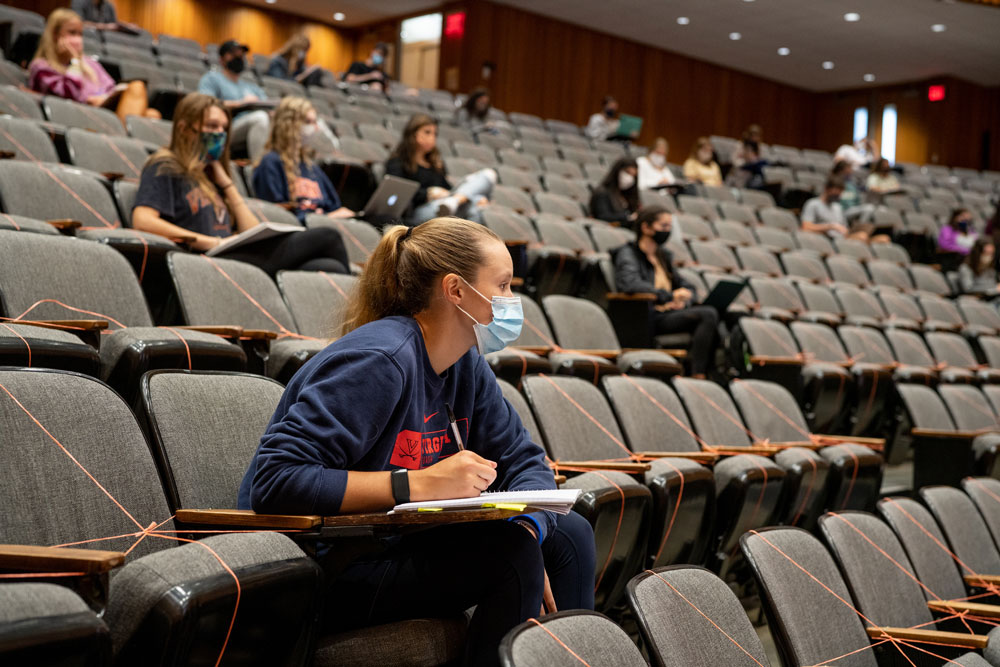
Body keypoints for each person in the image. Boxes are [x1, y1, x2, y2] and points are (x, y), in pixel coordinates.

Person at [237, 217, 596, 667]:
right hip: (329, 566)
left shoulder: (466, 364)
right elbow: (276, 481)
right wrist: (414, 484)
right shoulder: (379, 361)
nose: (512, 302)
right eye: (502, 286)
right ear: (456, 290)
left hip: (399, 545)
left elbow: (526, 461)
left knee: (567, 534)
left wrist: (528, 526)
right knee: (510, 557)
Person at [132, 93, 350, 276]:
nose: (219, 133)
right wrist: (211, 243)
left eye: (224, 128)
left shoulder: (212, 173)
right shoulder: (165, 165)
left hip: (229, 255)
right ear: (185, 128)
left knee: (328, 267)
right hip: (203, 260)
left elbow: (250, 230)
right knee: (328, 236)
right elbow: (142, 220)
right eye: (211, 126)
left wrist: (226, 184)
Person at [613, 207, 719, 378]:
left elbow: (682, 283)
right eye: (663, 226)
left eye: (670, 226)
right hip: (647, 315)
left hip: (669, 311)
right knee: (708, 314)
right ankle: (697, 374)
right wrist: (669, 296)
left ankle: (713, 373)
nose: (667, 231)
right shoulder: (628, 253)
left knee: (720, 314)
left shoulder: (663, 256)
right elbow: (629, 283)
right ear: (646, 228)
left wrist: (686, 296)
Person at [28, 9, 157, 123]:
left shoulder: (90, 63)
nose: (78, 39)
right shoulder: (42, 67)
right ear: (55, 35)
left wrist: (103, 98)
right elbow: (67, 96)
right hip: (78, 115)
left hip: (102, 112)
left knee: (153, 114)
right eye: (72, 33)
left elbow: (110, 87)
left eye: (80, 34)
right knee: (136, 87)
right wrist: (75, 62)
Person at [252, 97, 354, 223]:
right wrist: (326, 218)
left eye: (314, 122)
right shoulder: (270, 163)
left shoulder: (311, 166)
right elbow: (277, 217)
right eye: (307, 122)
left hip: (325, 226)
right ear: (288, 125)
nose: (314, 128)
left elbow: (334, 206)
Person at [385, 114, 495, 225]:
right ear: (413, 134)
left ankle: (455, 201)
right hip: (420, 210)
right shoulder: (398, 162)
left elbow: (448, 188)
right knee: (475, 203)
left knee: (488, 175)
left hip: (446, 204)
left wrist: (466, 196)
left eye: (435, 134)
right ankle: (456, 202)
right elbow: (397, 193)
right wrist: (428, 194)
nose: (432, 137)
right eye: (427, 132)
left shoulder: (435, 163)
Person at [198, 39, 272, 158]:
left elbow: (268, 105)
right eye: (233, 54)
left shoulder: (251, 86)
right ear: (221, 59)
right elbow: (206, 104)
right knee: (260, 118)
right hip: (226, 127)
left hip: (256, 125)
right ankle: (261, 171)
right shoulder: (211, 79)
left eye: (241, 55)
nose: (239, 57)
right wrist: (240, 103)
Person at [801, 176, 867, 239]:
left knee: (862, 235)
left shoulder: (838, 207)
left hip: (841, 239)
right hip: (825, 238)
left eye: (840, 192)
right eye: (836, 192)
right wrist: (831, 226)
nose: (839, 195)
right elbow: (806, 227)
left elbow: (845, 230)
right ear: (827, 189)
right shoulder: (813, 203)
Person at [589, 158, 639, 224]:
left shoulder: (628, 194)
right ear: (617, 171)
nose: (629, 178)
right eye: (627, 172)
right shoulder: (602, 192)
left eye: (633, 176)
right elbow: (602, 216)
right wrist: (628, 217)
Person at [70, 0, 141, 33]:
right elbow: (78, 23)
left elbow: (114, 24)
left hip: (105, 43)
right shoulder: (78, 2)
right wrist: (106, 27)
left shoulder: (109, 5)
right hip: (86, 39)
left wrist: (127, 26)